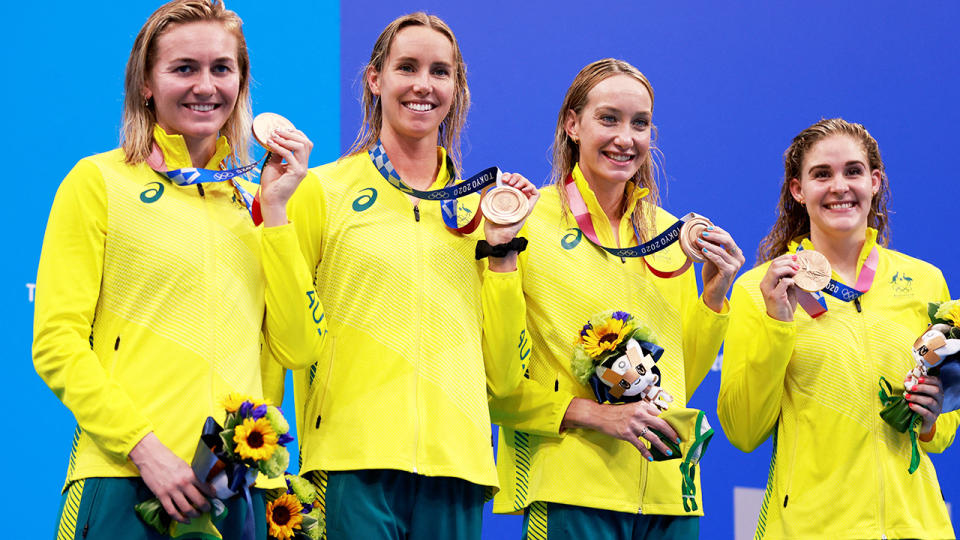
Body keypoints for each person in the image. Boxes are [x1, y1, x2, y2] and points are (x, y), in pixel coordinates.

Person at [32, 1, 324, 537]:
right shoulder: (97, 183)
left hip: (233, 484)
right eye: (183, 68)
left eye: (221, 68)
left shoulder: (256, 202)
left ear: (240, 80)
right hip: (127, 477)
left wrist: (277, 213)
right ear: (146, 82)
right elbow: (57, 342)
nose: (205, 86)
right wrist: (144, 450)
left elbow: (299, 348)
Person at [283, 12, 536, 540]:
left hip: (457, 467)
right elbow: (283, 332)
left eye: (440, 71)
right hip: (353, 460)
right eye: (407, 67)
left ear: (457, 88)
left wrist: (503, 252)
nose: (423, 84)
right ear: (375, 80)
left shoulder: (486, 212)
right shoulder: (322, 192)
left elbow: (508, 377)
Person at [489, 58, 744, 539]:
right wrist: (597, 414)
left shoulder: (672, 237)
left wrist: (713, 295)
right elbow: (497, 379)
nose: (626, 138)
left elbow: (679, 375)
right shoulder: (525, 222)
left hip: (670, 490)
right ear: (572, 124)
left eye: (640, 123)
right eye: (608, 119)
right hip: (573, 487)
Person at [718, 118, 957, 538]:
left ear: (875, 181)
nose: (839, 186)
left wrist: (931, 418)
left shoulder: (925, 282)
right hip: (812, 529)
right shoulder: (761, 289)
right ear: (798, 190)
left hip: (918, 527)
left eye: (853, 171)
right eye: (821, 174)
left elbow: (940, 434)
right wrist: (778, 322)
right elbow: (743, 430)